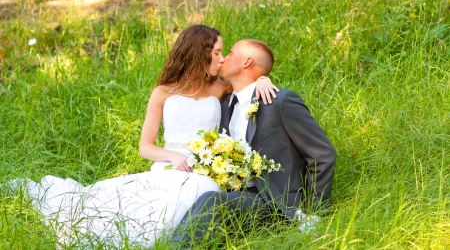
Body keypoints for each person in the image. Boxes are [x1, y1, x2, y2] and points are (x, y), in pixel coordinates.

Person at [6, 26, 278, 248]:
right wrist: (172, 155)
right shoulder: (163, 92)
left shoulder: (219, 88)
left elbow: (249, 80)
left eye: (223, 52)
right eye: (217, 52)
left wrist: (263, 81)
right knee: (117, 204)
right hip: (169, 164)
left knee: (197, 193)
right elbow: (145, 146)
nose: (221, 59)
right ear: (199, 52)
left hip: (205, 170)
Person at [173, 39, 337, 247]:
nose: (223, 59)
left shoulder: (279, 102)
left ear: (247, 62)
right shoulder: (224, 105)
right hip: (239, 195)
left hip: (275, 202)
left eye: (231, 53)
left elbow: (323, 154)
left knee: (211, 201)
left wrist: (316, 213)